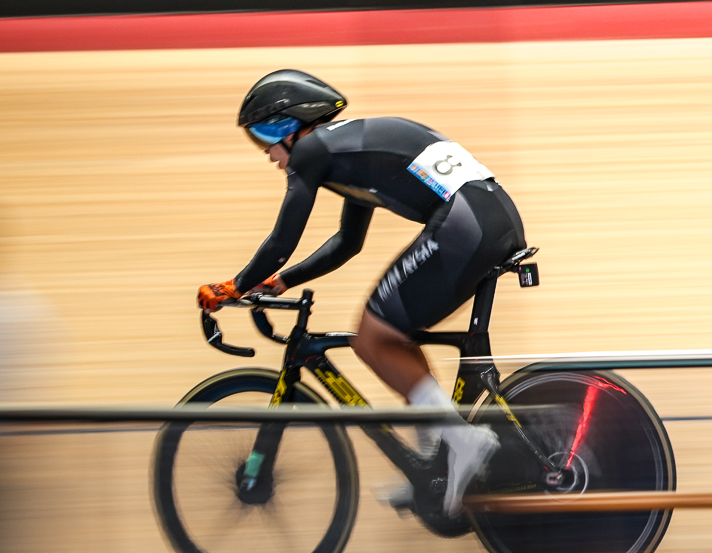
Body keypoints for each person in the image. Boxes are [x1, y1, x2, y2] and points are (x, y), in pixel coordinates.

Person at [197, 70, 526, 516]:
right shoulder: (347, 151)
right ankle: (440, 467)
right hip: (485, 216)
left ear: (289, 125)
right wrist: (284, 280)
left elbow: (280, 241)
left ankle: (465, 443)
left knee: (371, 338)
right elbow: (347, 244)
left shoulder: (313, 149)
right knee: (395, 340)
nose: (268, 154)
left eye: (263, 137)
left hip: (466, 222)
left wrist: (234, 286)